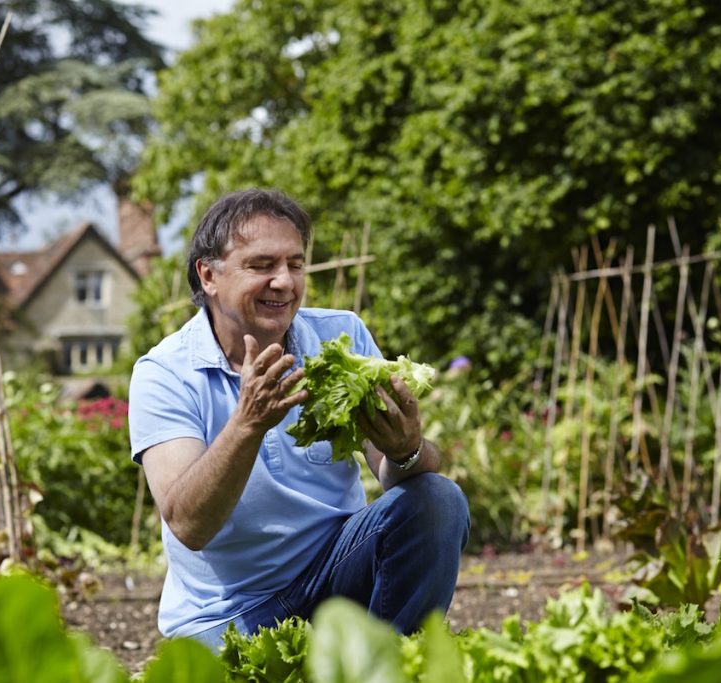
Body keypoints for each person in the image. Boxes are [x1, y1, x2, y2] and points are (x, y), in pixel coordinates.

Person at [128, 188, 470, 649]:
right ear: (208, 275)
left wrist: (406, 450)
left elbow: (396, 475)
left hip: (337, 576)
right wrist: (247, 424)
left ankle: (390, 667)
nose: (285, 282)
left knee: (437, 498)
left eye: (295, 264)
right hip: (228, 613)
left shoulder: (341, 335)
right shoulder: (165, 373)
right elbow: (189, 525)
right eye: (262, 265)